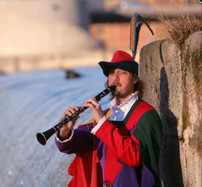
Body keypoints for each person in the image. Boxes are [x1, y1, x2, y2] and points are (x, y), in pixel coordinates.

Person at [55, 50, 162, 187]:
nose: (115, 78)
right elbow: (75, 143)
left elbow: (134, 157)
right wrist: (65, 131)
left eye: (122, 72)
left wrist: (102, 123)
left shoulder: (146, 115)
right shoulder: (107, 115)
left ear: (135, 79)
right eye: (112, 73)